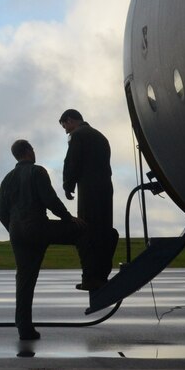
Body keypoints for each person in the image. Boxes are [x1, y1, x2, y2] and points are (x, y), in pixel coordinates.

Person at [0, 139, 85, 341]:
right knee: (83, 232)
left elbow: (2, 211)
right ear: (29, 151)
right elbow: (50, 200)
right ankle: (90, 274)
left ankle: (24, 328)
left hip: (16, 233)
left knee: (24, 280)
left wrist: (13, 229)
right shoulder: (37, 171)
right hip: (38, 228)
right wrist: (68, 218)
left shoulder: (7, 178)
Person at [59, 108, 117, 291]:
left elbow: (71, 162)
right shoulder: (100, 136)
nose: (66, 131)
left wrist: (68, 185)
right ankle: (101, 276)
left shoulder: (78, 135)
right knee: (104, 230)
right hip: (105, 190)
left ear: (70, 120)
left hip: (89, 191)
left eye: (65, 126)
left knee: (87, 232)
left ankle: (90, 278)